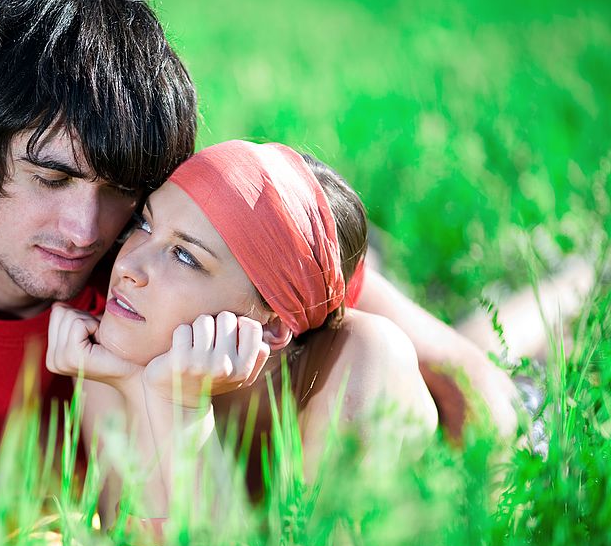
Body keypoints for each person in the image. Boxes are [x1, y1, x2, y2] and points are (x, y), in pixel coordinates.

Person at [0, 0, 519, 490]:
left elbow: (463, 375)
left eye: (121, 196)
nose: (88, 232)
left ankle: (571, 282)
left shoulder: (157, 221)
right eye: (49, 179)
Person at [46, 140, 439, 523]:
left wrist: (182, 411)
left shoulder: (364, 359)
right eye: (145, 224)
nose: (129, 264)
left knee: (486, 336)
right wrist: (136, 386)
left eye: (185, 256)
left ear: (270, 325)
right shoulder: (122, 353)